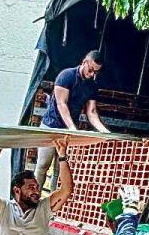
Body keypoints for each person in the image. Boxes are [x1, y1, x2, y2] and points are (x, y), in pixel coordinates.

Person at [35, 50, 110, 188]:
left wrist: (105, 132)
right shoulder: (66, 76)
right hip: (51, 126)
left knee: (61, 167)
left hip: (69, 131)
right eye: (91, 69)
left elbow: (91, 112)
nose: (92, 74)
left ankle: (54, 201)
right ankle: (32, 200)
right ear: (84, 62)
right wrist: (72, 127)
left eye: (96, 72)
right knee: (42, 165)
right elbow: (61, 104)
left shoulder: (92, 86)